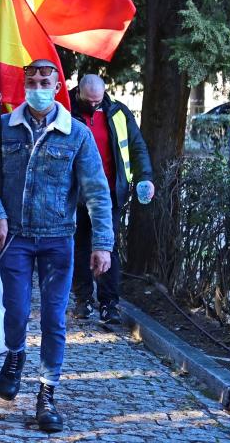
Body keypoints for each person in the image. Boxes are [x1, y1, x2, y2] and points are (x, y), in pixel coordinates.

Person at [0, 59, 113, 433]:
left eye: (44, 79)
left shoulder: (76, 134)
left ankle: (47, 394)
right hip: (15, 237)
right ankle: (15, 354)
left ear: (57, 83)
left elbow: (97, 192)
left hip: (58, 240)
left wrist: (102, 244)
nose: (37, 84)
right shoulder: (3, 129)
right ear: (24, 82)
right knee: (15, 312)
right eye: (31, 79)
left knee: (53, 319)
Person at [70, 75, 154, 324]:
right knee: (80, 246)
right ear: (79, 95)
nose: (95, 106)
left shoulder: (118, 112)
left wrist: (144, 177)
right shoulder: (65, 110)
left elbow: (137, 147)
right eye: (89, 102)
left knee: (108, 248)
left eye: (98, 101)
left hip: (109, 194)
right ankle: (83, 300)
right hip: (75, 194)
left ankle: (109, 305)